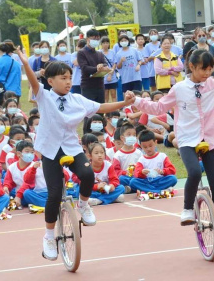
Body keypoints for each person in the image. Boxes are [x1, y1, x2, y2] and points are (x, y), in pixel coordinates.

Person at [131, 34, 214, 232]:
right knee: (193, 172)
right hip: (186, 139)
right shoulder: (179, 88)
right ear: (191, 67)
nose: (207, 73)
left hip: (209, 138)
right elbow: (159, 108)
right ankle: (187, 209)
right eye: (203, 69)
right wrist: (136, 101)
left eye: (210, 69)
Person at [17, 47, 135, 261]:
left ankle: (83, 204)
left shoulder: (78, 99)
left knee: (88, 175)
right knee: (53, 194)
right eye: (63, 78)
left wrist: (125, 103)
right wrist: (26, 63)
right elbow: (34, 82)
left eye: (70, 77)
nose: (68, 81)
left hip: (71, 146)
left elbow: (102, 107)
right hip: (50, 149)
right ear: (51, 81)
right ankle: (49, 236)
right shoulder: (44, 96)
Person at [77, 29, 111, 106]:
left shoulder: (99, 53)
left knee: (100, 110)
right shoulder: (81, 53)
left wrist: (103, 66)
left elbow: (105, 64)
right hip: (88, 86)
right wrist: (97, 68)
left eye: (97, 39)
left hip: (100, 85)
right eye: (93, 39)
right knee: (89, 112)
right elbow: (84, 68)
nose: (95, 41)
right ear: (87, 39)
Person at [0, 42, 21, 106]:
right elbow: (19, 78)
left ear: (0, 50)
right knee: (14, 110)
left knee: (1, 110)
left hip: (2, 90)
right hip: (15, 91)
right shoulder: (17, 63)